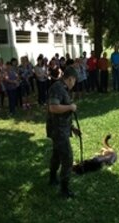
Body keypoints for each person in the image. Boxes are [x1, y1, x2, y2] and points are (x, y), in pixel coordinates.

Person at [46, 66, 81, 198]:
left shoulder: (63, 89)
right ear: (70, 78)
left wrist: (72, 128)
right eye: (74, 80)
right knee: (67, 158)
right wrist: (70, 107)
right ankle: (64, 190)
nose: (74, 83)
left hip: (62, 128)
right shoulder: (57, 88)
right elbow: (53, 108)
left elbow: (62, 113)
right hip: (58, 130)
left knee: (56, 155)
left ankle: (52, 178)